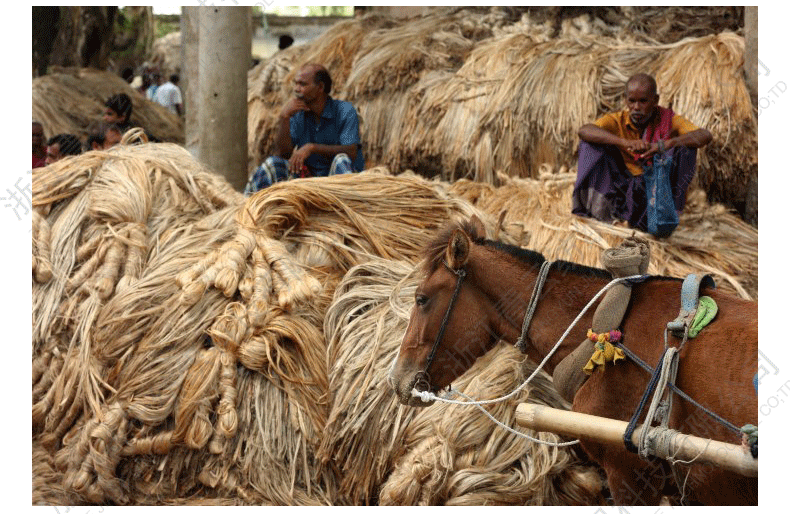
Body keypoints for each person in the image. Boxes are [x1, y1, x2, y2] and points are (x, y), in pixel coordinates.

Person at [571, 73, 712, 232]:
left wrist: (666, 144)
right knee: (590, 145)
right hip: (621, 185)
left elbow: (704, 135)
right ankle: (600, 211)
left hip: (654, 186)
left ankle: (668, 214)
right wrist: (625, 143)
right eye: (632, 101)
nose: (636, 107)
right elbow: (584, 130)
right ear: (626, 100)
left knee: (686, 148)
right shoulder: (617, 120)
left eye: (643, 101)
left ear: (655, 101)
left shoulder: (668, 120)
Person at [245, 63, 365, 194]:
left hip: (336, 183)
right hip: (308, 180)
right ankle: (246, 208)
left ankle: (346, 212)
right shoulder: (298, 114)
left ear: (320, 87)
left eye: (302, 84)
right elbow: (282, 154)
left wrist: (312, 147)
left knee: (341, 160)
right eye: (296, 83)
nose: (296, 89)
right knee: (272, 164)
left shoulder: (345, 111)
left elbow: (351, 151)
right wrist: (284, 117)